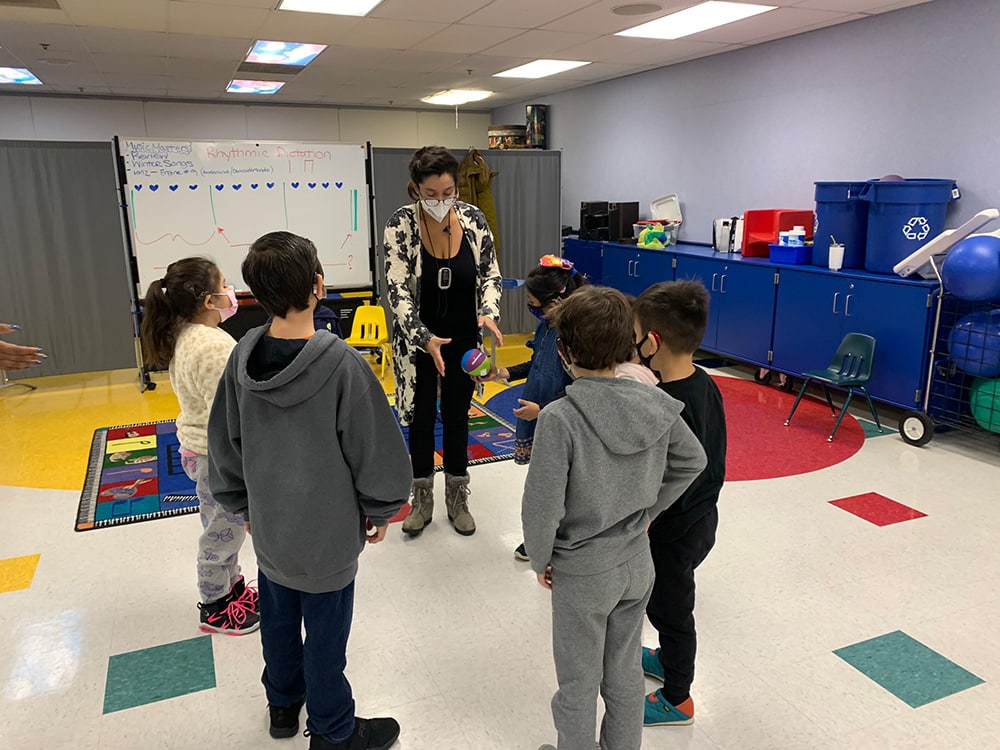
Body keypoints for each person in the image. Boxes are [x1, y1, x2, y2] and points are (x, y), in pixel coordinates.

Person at [207, 231, 412, 750]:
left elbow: (224, 442)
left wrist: (241, 504)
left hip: (271, 531)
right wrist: (382, 508)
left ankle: (282, 707)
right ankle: (333, 730)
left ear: (256, 295)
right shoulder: (343, 365)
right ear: (319, 285)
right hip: (328, 539)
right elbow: (374, 449)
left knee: (277, 623)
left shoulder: (240, 359)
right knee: (326, 639)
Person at [521, 286, 707, 750]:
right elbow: (693, 461)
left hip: (583, 571)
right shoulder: (656, 403)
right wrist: (648, 512)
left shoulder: (560, 419)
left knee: (577, 685)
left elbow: (541, 505)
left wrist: (541, 558)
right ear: (629, 345)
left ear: (564, 353)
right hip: (637, 564)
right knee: (623, 676)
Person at [384, 145, 503, 538]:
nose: (440, 201)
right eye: (431, 194)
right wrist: (424, 337)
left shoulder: (472, 218)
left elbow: (490, 273)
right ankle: (421, 499)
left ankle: (457, 494)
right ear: (416, 189)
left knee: (457, 417)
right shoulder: (400, 225)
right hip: (419, 343)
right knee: (419, 420)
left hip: (464, 340)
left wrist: (488, 312)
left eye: (447, 192)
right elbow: (397, 290)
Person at [139, 258, 259, 635]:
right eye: (224, 285)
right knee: (221, 532)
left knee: (226, 527)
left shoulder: (188, 333)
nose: (231, 291)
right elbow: (228, 415)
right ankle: (214, 605)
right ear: (209, 301)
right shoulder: (210, 345)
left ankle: (231, 587)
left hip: (203, 450)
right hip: (216, 457)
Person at [633, 279, 727, 727]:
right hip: (701, 519)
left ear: (652, 341)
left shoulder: (665, 403)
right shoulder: (704, 382)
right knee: (665, 603)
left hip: (673, 530)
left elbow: (669, 475)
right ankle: (666, 659)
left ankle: (678, 696)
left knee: (672, 610)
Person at [479, 254, 587, 561]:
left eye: (532, 301)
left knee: (560, 487)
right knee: (543, 485)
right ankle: (542, 538)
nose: (530, 306)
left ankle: (554, 541)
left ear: (554, 301)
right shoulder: (547, 328)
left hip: (561, 424)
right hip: (543, 420)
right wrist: (504, 373)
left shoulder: (574, 336)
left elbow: (582, 390)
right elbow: (536, 363)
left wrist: (543, 411)